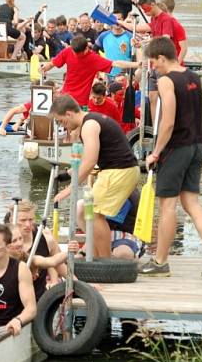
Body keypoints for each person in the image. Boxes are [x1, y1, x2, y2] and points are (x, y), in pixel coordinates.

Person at [139, 37, 202, 279]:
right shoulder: (193, 77)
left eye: (154, 63)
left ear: (162, 58)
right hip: (197, 145)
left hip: (176, 148)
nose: (153, 68)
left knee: (167, 205)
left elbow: (169, 121)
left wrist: (156, 152)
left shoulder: (167, 81)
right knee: (191, 203)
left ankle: (160, 262)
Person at [51, 94, 141, 258]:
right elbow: (88, 159)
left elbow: (91, 161)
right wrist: (67, 174)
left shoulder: (89, 125)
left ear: (69, 114)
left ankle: (105, 262)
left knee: (94, 214)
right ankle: (98, 254)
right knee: (89, 211)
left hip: (118, 172)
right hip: (120, 170)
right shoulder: (92, 120)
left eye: (61, 121)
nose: (63, 126)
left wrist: (70, 189)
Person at [40, 36, 139, 107]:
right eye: (74, 53)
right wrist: (45, 67)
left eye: (78, 54)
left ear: (86, 48)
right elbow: (52, 63)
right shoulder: (68, 51)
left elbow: (116, 63)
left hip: (80, 100)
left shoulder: (94, 58)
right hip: (66, 95)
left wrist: (137, 64)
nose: (76, 55)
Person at [0, 223, 36, 338]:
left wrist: (18, 320)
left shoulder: (21, 269)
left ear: (7, 246)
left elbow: (31, 308)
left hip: (9, 327)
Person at [95, 13, 134, 78]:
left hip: (125, 75)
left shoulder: (130, 37)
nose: (116, 22)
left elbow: (134, 56)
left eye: (119, 19)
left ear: (123, 21)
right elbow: (94, 50)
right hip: (109, 75)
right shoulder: (103, 36)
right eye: (114, 19)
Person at [159, 0, 188, 65]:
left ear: (164, 7)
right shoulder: (162, 22)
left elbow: (184, 48)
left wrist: (176, 65)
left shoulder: (176, 25)